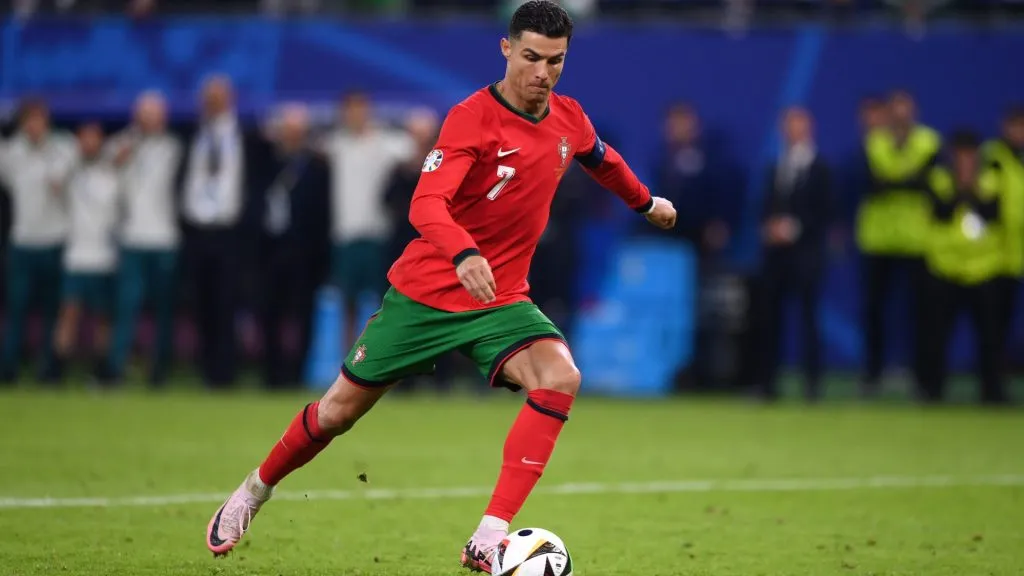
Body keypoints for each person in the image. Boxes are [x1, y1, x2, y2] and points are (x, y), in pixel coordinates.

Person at [203, 1, 677, 572]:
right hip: (428, 292)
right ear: (506, 49)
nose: (542, 73)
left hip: (500, 299)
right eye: (531, 57)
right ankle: (254, 490)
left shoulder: (568, 117)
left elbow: (601, 159)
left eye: (555, 61)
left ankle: (489, 534)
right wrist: (463, 252)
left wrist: (645, 202)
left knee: (560, 376)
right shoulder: (471, 118)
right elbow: (425, 202)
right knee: (336, 413)